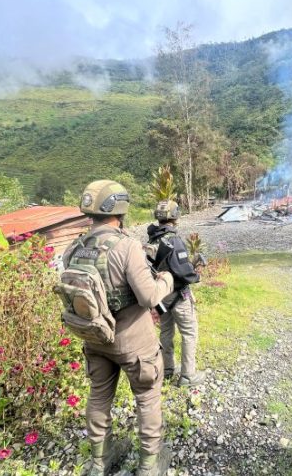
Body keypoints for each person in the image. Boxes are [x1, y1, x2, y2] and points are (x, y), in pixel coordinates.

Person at [61, 180, 175, 476]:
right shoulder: (126, 246)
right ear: (120, 210)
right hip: (133, 341)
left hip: (95, 337)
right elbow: (148, 296)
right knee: (147, 399)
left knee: (98, 396)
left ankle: (100, 461)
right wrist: (167, 279)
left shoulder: (75, 247)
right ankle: (149, 464)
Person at [145, 199, 206, 387]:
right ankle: (188, 375)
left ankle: (168, 369)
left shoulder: (152, 238)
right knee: (189, 332)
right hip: (179, 295)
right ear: (175, 216)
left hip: (160, 296)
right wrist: (195, 275)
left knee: (166, 332)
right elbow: (182, 271)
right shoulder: (174, 240)